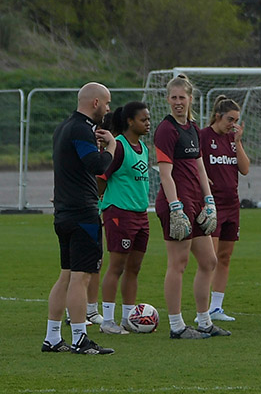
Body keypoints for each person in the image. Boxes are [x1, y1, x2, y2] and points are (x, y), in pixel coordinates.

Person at [43, 82, 117, 355]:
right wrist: (111, 146)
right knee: (81, 278)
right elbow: (96, 166)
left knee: (65, 276)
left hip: (63, 212)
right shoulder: (81, 129)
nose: (108, 109)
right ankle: (79, 339)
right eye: (107, 103)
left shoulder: (63, 127)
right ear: (95, 103)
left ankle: (52, 338)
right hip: (82, 212)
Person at [154, 75, 228, 339]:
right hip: (177, 203)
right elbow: (165, 174)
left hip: (196, 202)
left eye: (181, 97)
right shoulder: (166, 129)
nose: (177, 102)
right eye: (173, 98)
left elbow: (199, 165)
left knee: (209, 261)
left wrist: (209, 201)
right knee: (179, 262)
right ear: (167, 99)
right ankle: (176, 325)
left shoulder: (193, 128)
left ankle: (204, 320)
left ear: (190, 99)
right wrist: (175, 207)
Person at [97, 101, 153, 336]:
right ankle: (107, 320)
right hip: (119, 212)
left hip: (140, 214)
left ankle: (129, 318)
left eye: (149, 119)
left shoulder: (143, 147)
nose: (148, 123)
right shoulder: (118, 147)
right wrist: (100, 203)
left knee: (135, 268)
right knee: (117, 266)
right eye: (144, 119)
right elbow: (101, 177)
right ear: (130, 121)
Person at [200, 95, 249, 323]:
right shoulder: (203, 137)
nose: (233, 124)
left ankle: (216, 307)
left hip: (232, 205)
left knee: (225, 257)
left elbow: (245, 169)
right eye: (230, 119)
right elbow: (192, 163)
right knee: (211, 258)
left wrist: (238, 141)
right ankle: (203, 309)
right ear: (218, 116)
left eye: (237, 120)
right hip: (213, 205)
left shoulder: (232, 139)